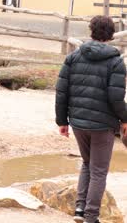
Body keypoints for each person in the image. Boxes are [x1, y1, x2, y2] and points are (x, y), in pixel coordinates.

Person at [55, 15, 127, 223]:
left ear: (91, 31)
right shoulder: (116, 62)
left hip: (78, 122)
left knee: (87, 163)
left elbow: (61, 91)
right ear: (111, 35)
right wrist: (124, 118)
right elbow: (116, 97)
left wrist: (62, 121)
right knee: (98, 170)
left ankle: (80, 209)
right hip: (102, 125)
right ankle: (91, 216)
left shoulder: (73, 57)